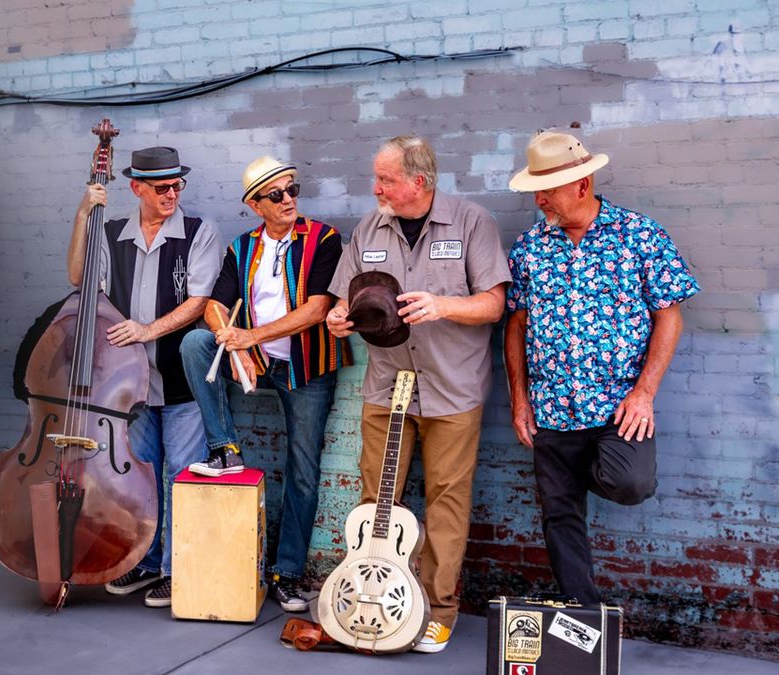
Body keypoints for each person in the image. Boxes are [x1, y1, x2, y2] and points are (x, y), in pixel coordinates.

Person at [326, 135, 510, 653]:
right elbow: (342, 301)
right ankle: (372, 600)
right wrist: (338, 319)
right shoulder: (369, 229)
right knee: (374, 503)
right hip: (387, 387)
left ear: (418, 182)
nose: (375, 187)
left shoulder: (472, 223)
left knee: (445, 501)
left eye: (385, 179)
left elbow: (494, 306)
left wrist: (444, 306)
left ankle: (436, 609)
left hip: (452, 389)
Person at [504, 130, 699, 604]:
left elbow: (668, 314)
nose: (540, 200)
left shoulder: (639, 234)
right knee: (559, 513)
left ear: (582, 186)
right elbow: (515, 324)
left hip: (619, 406)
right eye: (536, 191)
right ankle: (585, 612)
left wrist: (645, 392)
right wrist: (519, 399)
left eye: (547, 191)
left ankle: (584, 470)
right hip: (551, 407)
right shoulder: (530, 247)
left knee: (630, 483)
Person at [179, 155, 351, 613]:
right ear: (257, 205)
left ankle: (287, 574)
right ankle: (225, 450)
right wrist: (233, 346)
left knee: (302, 468)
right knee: (195, 344)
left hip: (306, 366)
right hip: (255, 359)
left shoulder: (324, 239)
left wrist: (250, 336)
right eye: (276, 195)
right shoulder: (243, 246)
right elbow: (215, 305)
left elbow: (317, 309)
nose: (289, 199)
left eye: (293, 189)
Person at [66, 146, 221, 608]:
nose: (172, 194)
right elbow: (79, 276)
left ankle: (177, 570)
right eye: (161, 188)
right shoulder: (111, 234)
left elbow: (198, 301)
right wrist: (83, 213)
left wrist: (146, 331)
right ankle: (147, 564)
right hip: (128, 388)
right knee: (140, 477)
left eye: (178, 185)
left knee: (181, 476)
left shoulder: (199, 233)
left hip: (179, 380)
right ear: (136, 188)